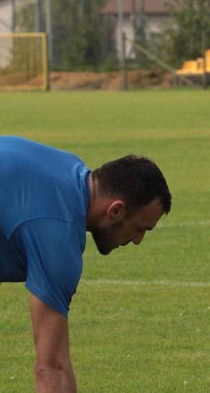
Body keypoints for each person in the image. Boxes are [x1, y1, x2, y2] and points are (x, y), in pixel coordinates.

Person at [0, 135, 172, 392]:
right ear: (115, 210)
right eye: (139, 229)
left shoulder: (71, 172)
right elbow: (52, 369)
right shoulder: (59, 236)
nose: (138, 240)